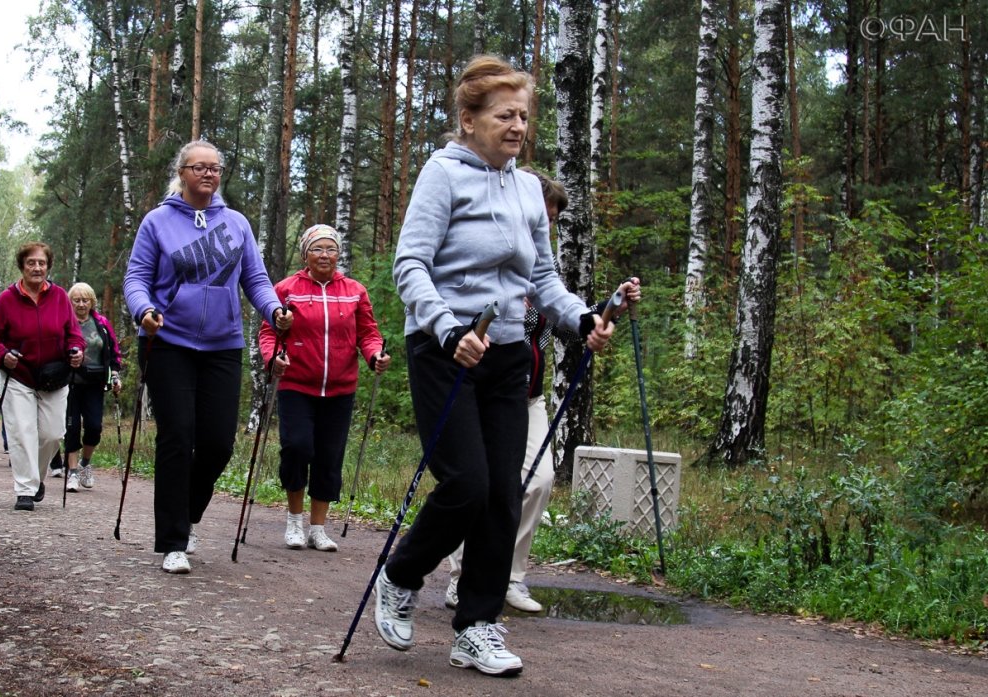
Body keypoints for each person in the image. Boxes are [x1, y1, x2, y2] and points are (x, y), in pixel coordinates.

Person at [376, 55, 642, 676]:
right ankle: (402, 573)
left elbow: (543, 278)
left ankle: (477, 626)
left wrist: (580, 321)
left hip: (509, 351)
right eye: (504, 115)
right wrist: (446, 331)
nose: (518, 125)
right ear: (468, 120)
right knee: (467, 483)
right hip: (446, 350)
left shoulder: (526, 187)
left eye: (523, 115)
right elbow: (409, 265)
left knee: (504, 491)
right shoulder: (442, 175)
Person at [124, 139, 292, 574]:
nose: (208, 174)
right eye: (199, 167)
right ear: (181, 173)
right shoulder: (158, 222)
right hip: (168, 340)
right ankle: (174, 541)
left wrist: (274, 309)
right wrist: (143, 310)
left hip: (222, 343)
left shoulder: (236, 223)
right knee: (178, 435)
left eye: (215, 168)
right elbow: (137, 277)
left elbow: (255, 277)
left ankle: (188, 512)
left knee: (217, 443)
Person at [444, 168, 574, 614]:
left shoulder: (543, 270)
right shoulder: (496, 261)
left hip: (530, 395)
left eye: (553, 220)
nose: (547, 226)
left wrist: (599, 314)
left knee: (539, 480)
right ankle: (465, 576)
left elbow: (562, 310)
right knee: (483, 483)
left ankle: (510, 576)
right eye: (543, 215)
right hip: (484, 390)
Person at [258, 224, 390, 553]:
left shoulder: (354, 291)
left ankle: (318, 528)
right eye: (318, 249)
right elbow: (268, 332)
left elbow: (368, 333)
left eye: (331, 249)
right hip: (296, 384)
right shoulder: (287, 289)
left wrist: (375, 355)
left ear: (339, 254)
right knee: (297, 447)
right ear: (305, 254)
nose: (325, 255)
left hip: (340, 387)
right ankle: (294, 521)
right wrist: (273, 358)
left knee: (329, 457)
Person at [0, 242, 85, 511]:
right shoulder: (7, 299)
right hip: (20, 376)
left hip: (54, 376)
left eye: (42, 263)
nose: (37, 267)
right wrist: (2, 355)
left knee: (52, 433)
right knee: (22, 432)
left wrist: (77, 350)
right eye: (31, 263)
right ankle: (25, 489)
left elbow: (73, 333)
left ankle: (35, 478)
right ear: (22, 266)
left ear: (48, 266)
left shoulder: (60, 297)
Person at [55, 282, 123, 492]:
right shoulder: (63, 323)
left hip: (95, 383)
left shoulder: (101, 323)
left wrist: (115, 376)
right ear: (70, 302)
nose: (81, 304)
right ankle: (73, 472)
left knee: (94, 427)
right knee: (72, 427)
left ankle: (85, 462)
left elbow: (113, 352)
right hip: (70, 383)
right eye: (76, 300)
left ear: (92, 301)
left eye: (85, 300)